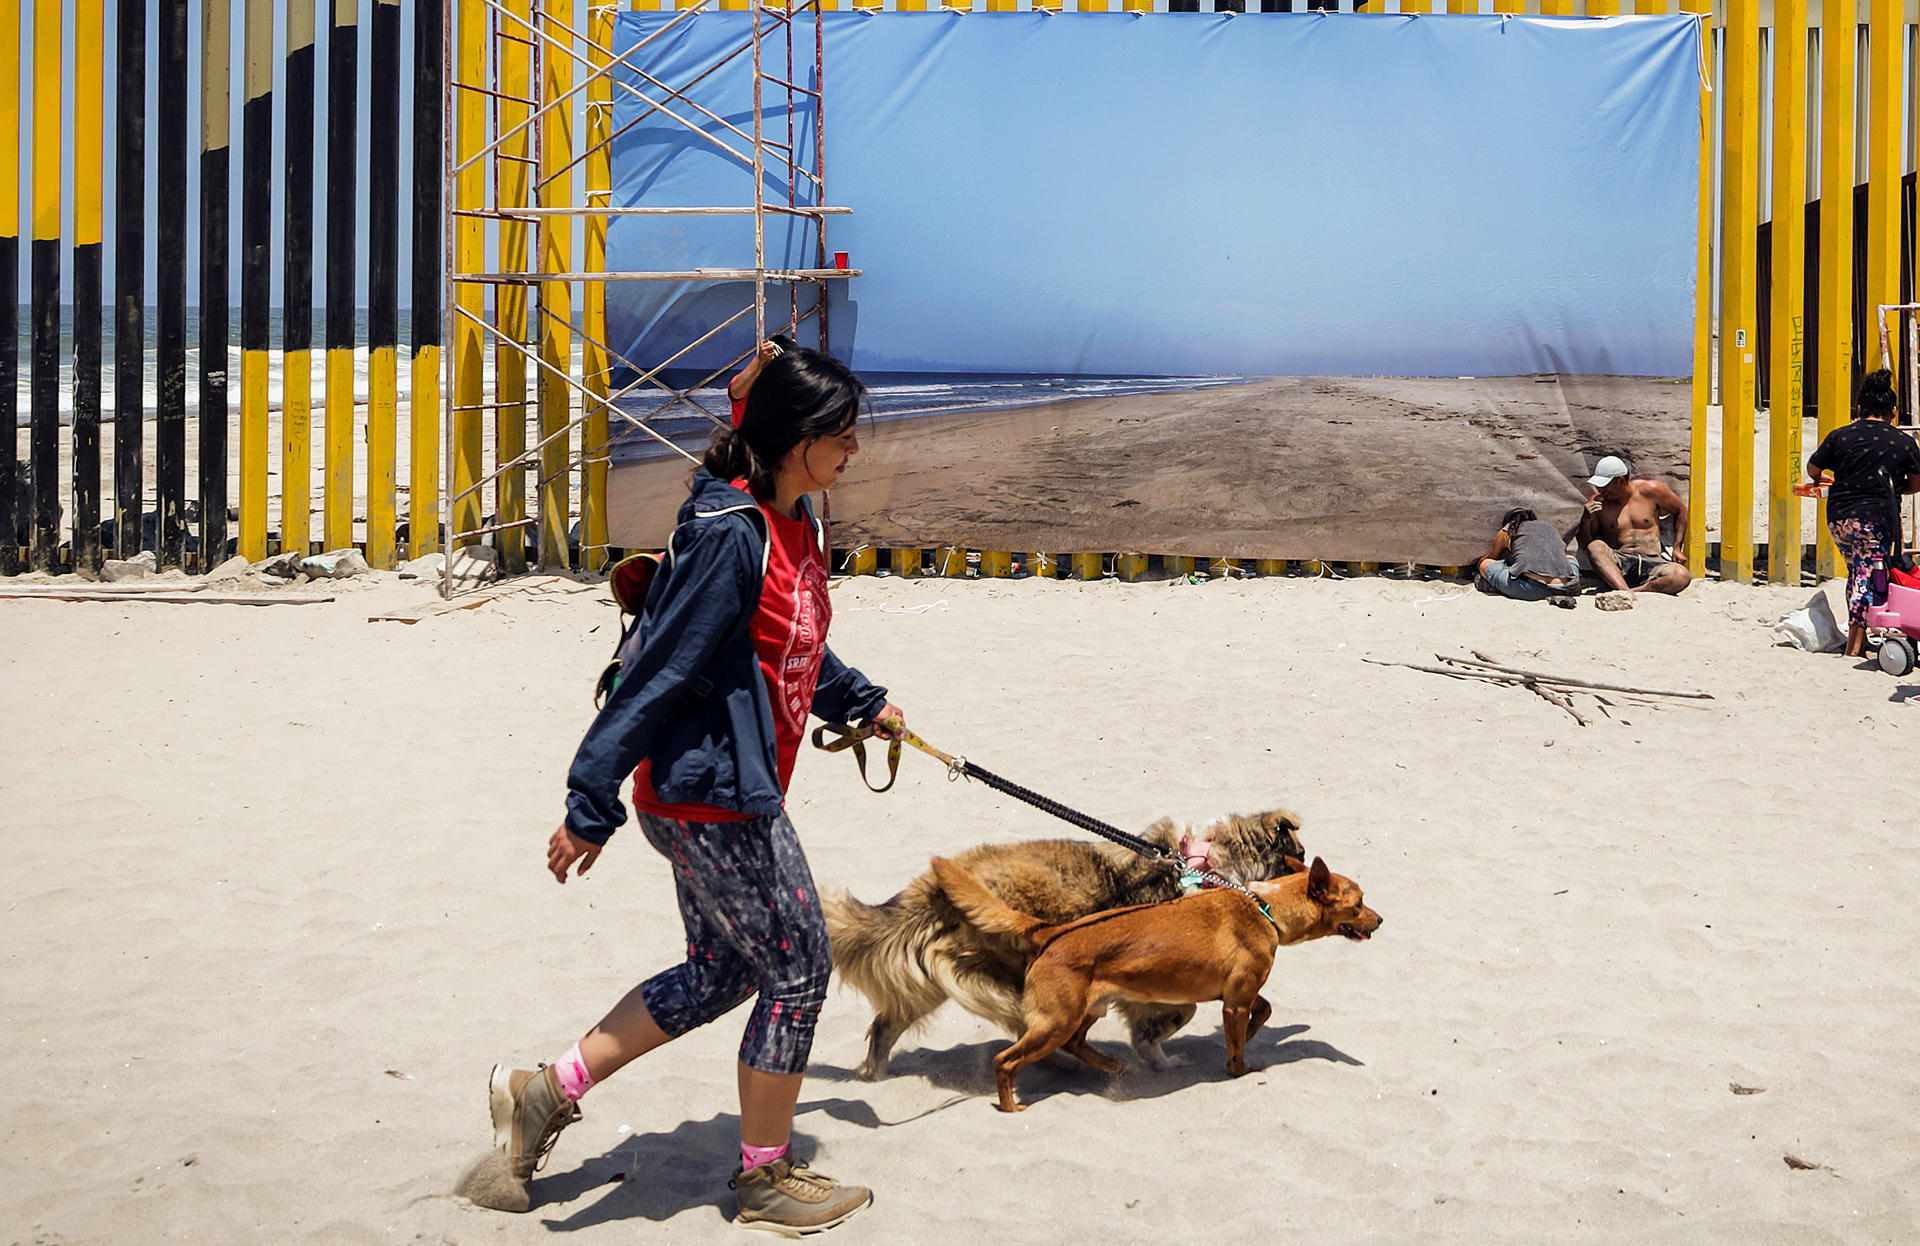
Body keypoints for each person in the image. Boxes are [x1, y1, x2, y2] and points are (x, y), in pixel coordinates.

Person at [473, 345, 903, 1235]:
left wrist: (863, 703)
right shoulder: (730, 535)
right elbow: (660, 673)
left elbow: (792, 645)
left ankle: (542, 1093)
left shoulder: (794, 520)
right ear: (795, 438)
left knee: (722, 974)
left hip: (722, 789)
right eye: (842, 435)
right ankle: (765, 1175)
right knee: (800, 969)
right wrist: (590, 801)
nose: (854, 450)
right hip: (712, 794)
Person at [1805, 368, 1920, 658]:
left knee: (1857, 572)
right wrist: (1896, 489)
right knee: (1865, 577)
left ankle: (1860, 639)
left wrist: (1825, 481)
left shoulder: (1841, 436)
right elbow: (1917, 483)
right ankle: (1855, 646)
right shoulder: (1903, 442)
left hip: (1840, 518)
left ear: (1859, 409)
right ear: (1893, 412)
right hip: (1876, 519)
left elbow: (1813, 468)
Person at [1576, 455, 1691, 595]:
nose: (1601, 491)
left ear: (1620, 481)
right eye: (1598, 486)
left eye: (1605, 486)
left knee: (1682, 576)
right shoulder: (1598, 503)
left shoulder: (1650, 490)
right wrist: (1586, 518)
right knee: (1595, 547)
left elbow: (1681, 511)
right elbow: (1585, 543)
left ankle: (1633, 591)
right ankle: (1624, 591)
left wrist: (1677, 547)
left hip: (1653, 561)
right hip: (1620, 562)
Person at [1473, 507, 1581, 605]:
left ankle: (1494, 586)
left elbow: (1492, 557)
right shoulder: (1548, 527)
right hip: (1565, 585)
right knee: (1571, 559)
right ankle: (1556, 591)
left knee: (1485, 564)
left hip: (1529, 589)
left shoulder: (1508, 530)